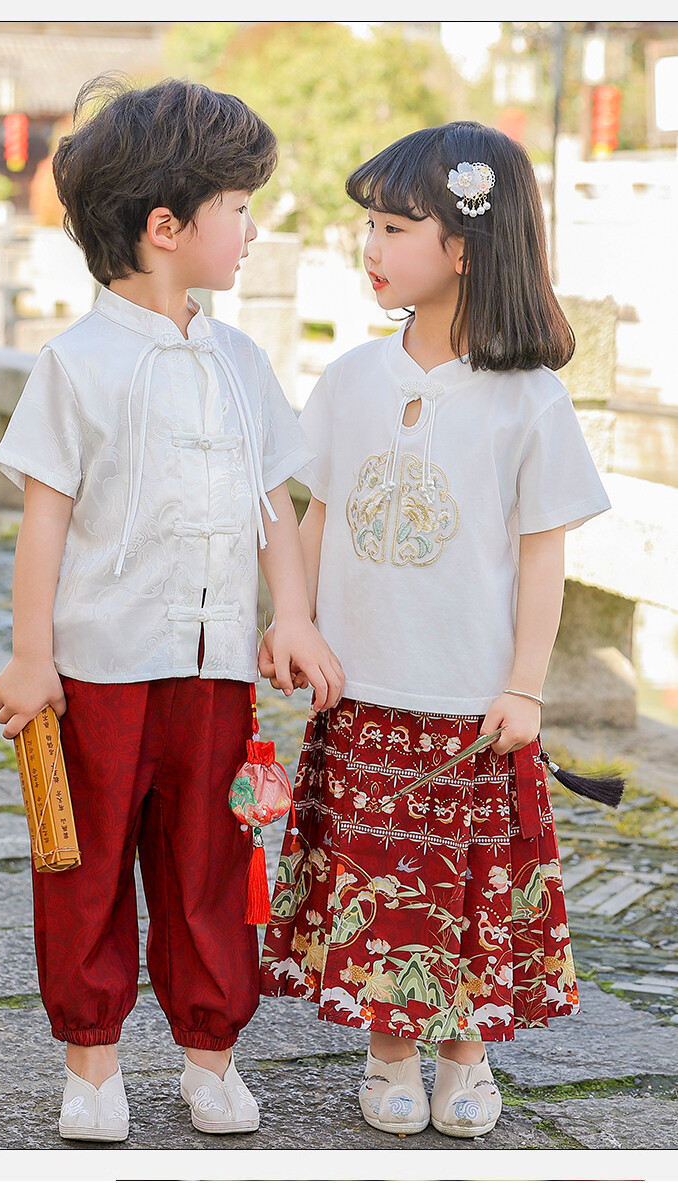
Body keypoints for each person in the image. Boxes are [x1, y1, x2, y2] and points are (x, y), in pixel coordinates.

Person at [0, 74, 344, 1143]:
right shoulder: (75, 363)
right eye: (237, 207)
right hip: (97, 666)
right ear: (164, 227)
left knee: (212, 860)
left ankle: (210, 1054)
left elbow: (273, 504)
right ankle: (92, 1063)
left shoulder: (240, 362)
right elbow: (45, 520)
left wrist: (292, 614)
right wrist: (31, 655)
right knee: (85, 860)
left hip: (215, 668)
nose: (251, 228)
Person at [259, 121, 611, 1140]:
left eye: (394, 227)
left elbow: (541, 557)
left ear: (464, 246)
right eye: (368, 225)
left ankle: (465, 1052)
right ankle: (389, 1052)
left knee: (466, 887)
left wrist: (525, 685)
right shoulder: (350, 379)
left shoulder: (529, 399)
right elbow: (317, 515)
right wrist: (294, 619)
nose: (369, 247)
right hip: (363, 687)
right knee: (375, 879)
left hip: (471, 699)